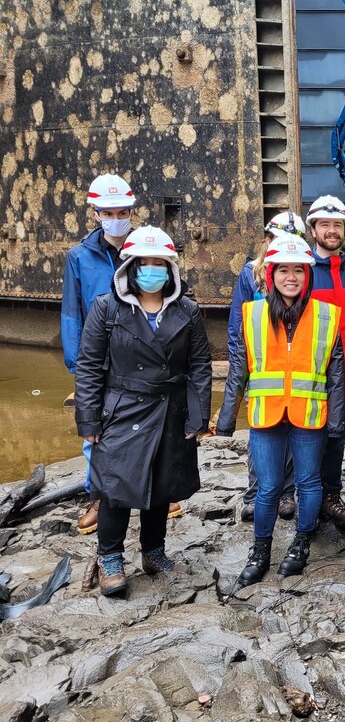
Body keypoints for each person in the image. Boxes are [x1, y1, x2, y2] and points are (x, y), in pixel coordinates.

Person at [74, 226, 212, 596]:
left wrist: (197, 417)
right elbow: (90, 366)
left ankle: (153, 552)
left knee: (162, 485)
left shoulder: (187, 310)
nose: (152, 271)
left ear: (171, 269)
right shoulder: (106, 308)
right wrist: (88, 419)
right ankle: (111, 558)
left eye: (159, 264)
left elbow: (200, 366)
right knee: (115, 487)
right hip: (121, 409)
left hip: (170, 408)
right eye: (144, 264)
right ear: (129, 268)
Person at [217, 233, 345, 588]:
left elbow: (336, 373)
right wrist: (225, 420)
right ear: (270, 274)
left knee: (308, 483)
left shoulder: (326, 316)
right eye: (284, 270)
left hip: (309, 416)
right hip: (266, 416)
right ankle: (260, 552)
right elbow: (239, 369)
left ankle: (301, 545)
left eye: (299, 271)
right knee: (269, 487)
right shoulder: (252, 314)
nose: (292, 277)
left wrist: (336, 421)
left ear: (308, 275)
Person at [64, 174, 184, 535]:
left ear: (132, 210)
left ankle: (159, 491)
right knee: (98, 431)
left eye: (122, 211)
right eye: (108, 212)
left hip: (143, 354)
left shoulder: (146, 250)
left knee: (153, 426)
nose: (116, 217)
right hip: (101, 354)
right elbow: (73, 312)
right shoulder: (80, 257)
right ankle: (100, 495)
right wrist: (77, 363)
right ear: (95, 213)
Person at [228, 210, 309, 523]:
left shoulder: (301, 272)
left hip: (294, 366)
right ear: (266, 240)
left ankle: (286, 493)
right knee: (260, 433)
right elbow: (239, 325)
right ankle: (256, 492)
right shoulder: (251, 275)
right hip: (262, 369)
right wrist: (242, 369)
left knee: (291, 430)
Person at [306, 195, 345, 526]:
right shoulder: (301, 274)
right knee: (309, 438)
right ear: (313, 229)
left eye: (337, 225)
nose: (331, 231)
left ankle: (330, 495)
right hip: (312, 377)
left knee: (337, 438)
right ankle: (307, 498)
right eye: (325, 225)